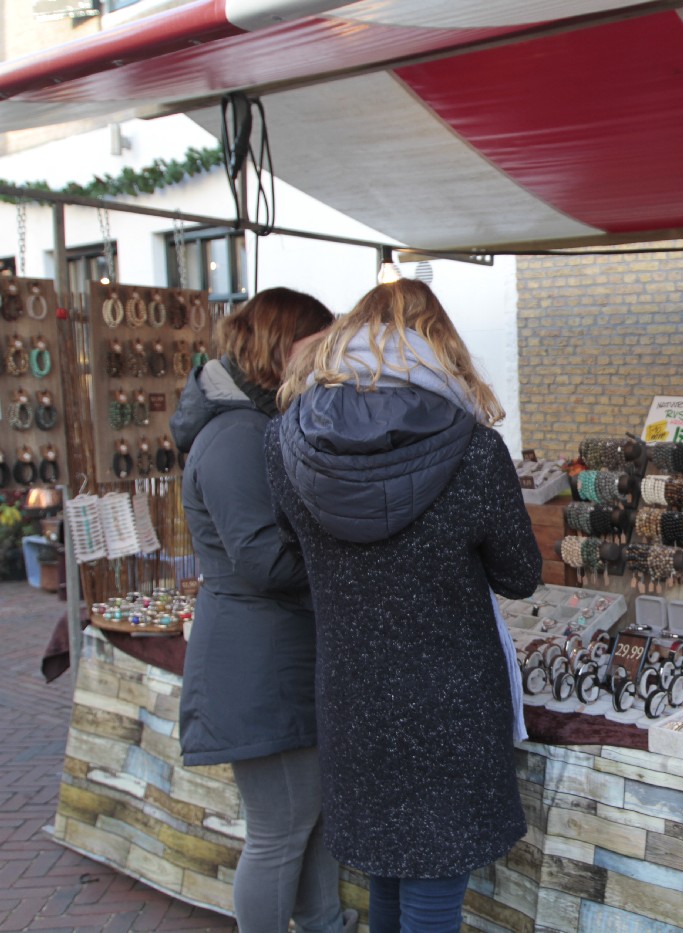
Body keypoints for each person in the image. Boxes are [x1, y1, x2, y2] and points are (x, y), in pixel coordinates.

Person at [267, 278, 541, 933]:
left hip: (352, 690)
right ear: (439, 345)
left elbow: (294, 552)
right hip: (451, 697)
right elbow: (520, 575)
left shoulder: (284, 442)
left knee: (387, 873)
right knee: (431, 890)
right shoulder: (474, 448)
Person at [171, 288, 350, 933]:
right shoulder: (234, 436)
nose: (327, 359)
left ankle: (324, 923)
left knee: (310, 819)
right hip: (259, 659)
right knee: (281, 830)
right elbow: (264, 561)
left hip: (278, 651)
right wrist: (350, 561)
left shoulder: (257, 424)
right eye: (317, 345)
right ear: (280, 344)